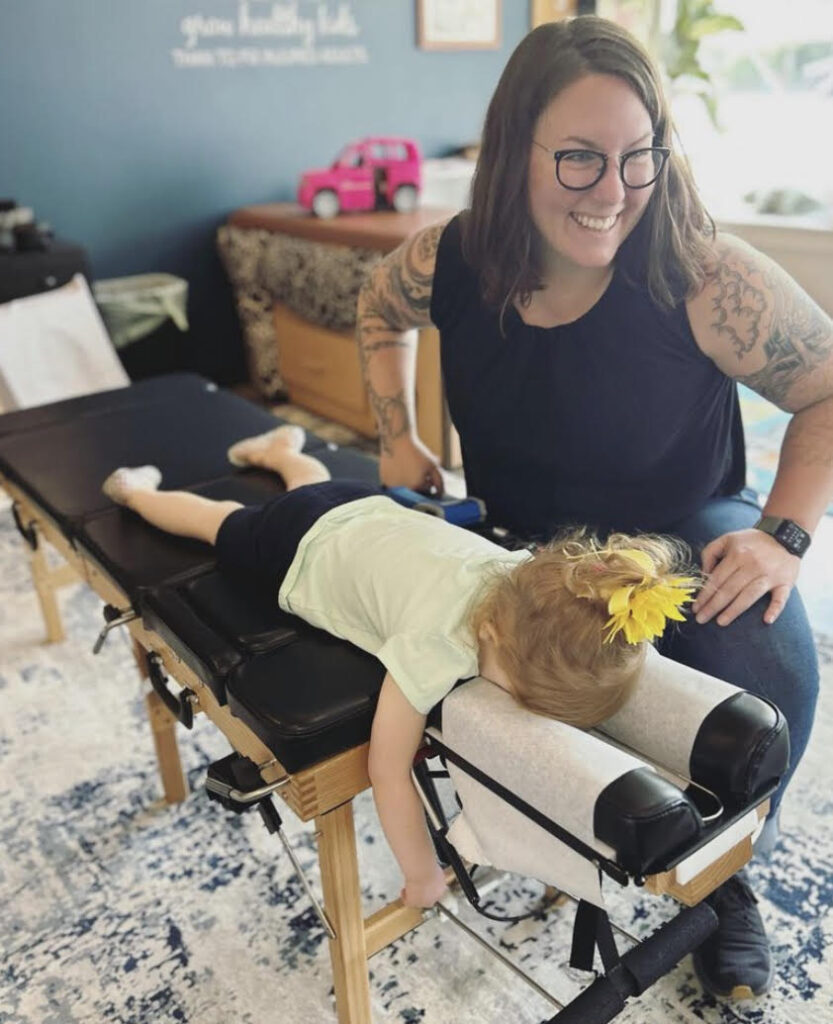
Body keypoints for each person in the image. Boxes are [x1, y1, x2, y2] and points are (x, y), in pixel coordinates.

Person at [356, 14, 833, 1001]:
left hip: (678, 532)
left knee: (766, 667)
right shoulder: (451, 258)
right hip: (516, 542)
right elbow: (375, 304)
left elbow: (825, 384)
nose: (611, 191)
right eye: (576, 159)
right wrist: (392, 436)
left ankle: (724, 883)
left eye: (635, 156)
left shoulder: (699, 271)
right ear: (511, 151)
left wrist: (784, 534)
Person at [101, 422, 697, 910]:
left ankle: (281, 451)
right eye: (519, 693)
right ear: (487, 635)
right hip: (293, 547)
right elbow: (386, 770)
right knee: (219, 519)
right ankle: (138, 494)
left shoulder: (530, 576)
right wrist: (422, 875)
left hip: (364, 506)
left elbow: (581, 628)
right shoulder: (435, 642)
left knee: (312, 484)